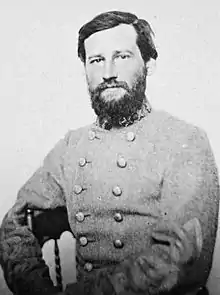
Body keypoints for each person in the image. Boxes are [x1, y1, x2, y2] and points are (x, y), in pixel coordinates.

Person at [0, 10, 219, 295]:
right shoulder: (71, 146)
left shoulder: (184, 140)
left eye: (122, 57)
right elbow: (16, 223)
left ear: (148, 64)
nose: (108, 73)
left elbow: (182, 259)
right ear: (85, 70)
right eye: (96, 60)